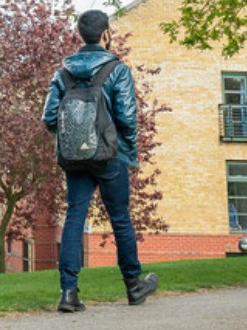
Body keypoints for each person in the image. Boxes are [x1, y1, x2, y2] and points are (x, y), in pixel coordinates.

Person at [41, 9, 157, 312]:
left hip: (75, 158)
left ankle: (68, 292)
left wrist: (71, 138)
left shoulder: (62, 72)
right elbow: (127, 117)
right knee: (120, 219)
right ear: (106, 34)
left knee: (74, 218)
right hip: (110, 156)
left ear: (82, 35)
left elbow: (49, 117)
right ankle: (133, 286)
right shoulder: (117, 69)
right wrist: (127, 148)